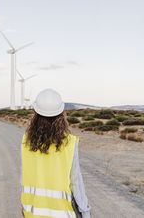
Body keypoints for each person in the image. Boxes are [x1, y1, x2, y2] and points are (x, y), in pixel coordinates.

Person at [20, 88, 91, 218]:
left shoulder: (26, 141)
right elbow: (76, 182)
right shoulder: (70, 143)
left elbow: (24, 176)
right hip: (62, 213)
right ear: (61, 114)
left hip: (32, 213)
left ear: (35, 113)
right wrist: (85, 212)